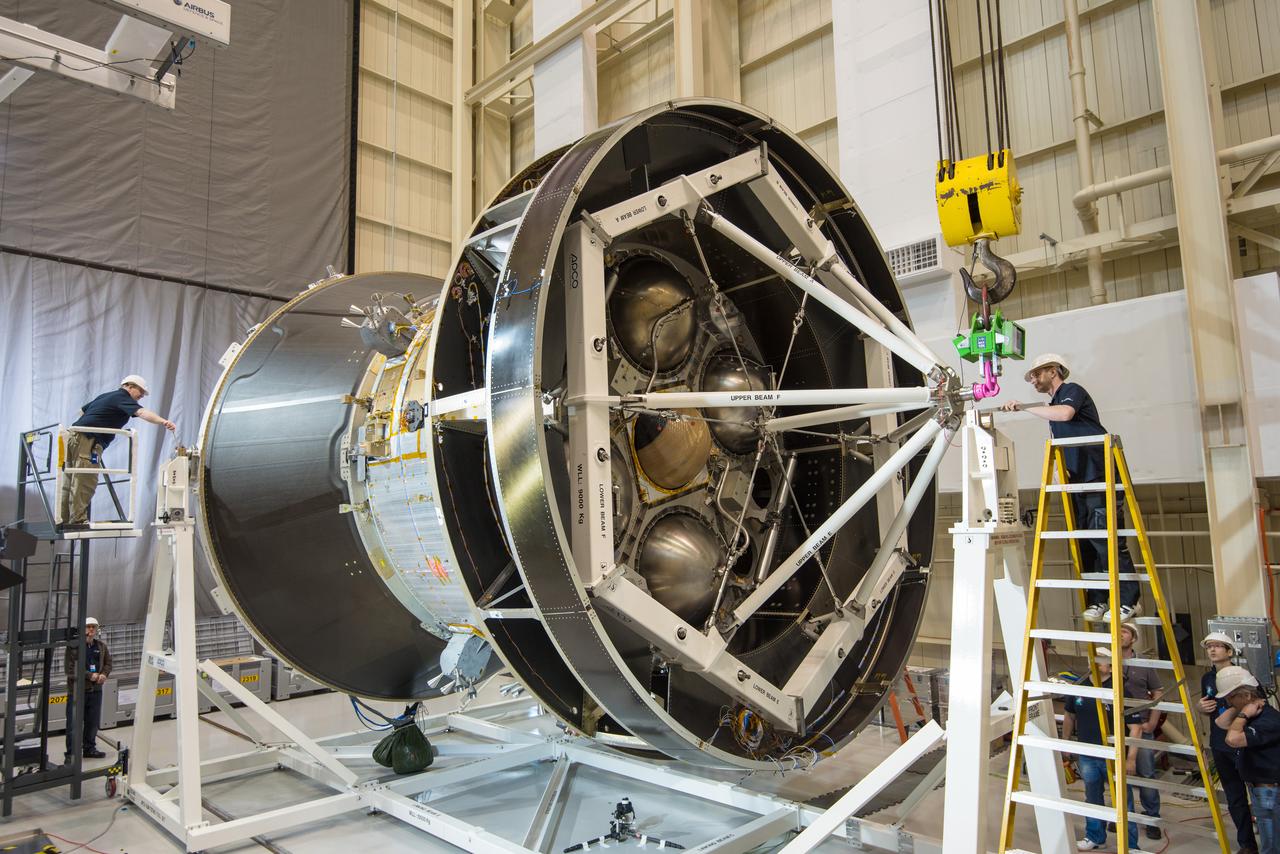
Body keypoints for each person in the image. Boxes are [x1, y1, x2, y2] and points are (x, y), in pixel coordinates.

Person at [1000, 353, 1141, 621]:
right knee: (1086, 541)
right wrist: (1057, 473)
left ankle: (1128, 599)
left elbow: (1066, 414)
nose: (1032, 380)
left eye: (1036, 374)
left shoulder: (1071, 393)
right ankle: (1100, 600)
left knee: (1105, 538)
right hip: (1078, 483)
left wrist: (1023, 407)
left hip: (1099, 477)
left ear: (1053, 371)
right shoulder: (1053, 407)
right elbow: (1059, 439)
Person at [58, 375, 176, 527]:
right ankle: (78, 520)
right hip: (88, 439)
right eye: (140, 391)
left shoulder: (106, 396)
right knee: (86, 479)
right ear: (129, 386)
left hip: (74, 437)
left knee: (71, 478)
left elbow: (82, 411)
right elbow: (141, 413)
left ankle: (64, 519)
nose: (141, 396)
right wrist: (163, 422)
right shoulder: (122, 397)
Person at [1062, 646, 1145, 850]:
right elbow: (1069, 716)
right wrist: (1065, 743)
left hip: (1114, 755)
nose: (1098, 664)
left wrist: (1131, 758)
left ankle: (1130, 845)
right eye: (1095, 659)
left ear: (1111, 665)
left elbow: (1135, 728)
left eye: (1102, 660)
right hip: (1088, 754)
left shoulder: (1121, 689)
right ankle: (1095, 836)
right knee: (1092, 796)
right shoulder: (1079, 686)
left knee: (1123, 800)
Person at [1199, 633, 1258, 853]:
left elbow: (1255, 705)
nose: (1212, 650)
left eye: (1217, 647)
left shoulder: (1243, 676)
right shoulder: (1207, 679)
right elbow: (1210, 708)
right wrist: (1200, 708)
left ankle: (1271, 839)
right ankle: (1247, 845)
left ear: (1229, 651)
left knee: (1258, 795)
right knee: (1234, 797)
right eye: (1209, 647)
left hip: (1242, 743)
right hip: (1219, 743)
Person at [1217, 665, 1280, 854]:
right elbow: (1222, 723)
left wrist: (1244, 712)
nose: (1228, 701)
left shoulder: (1268, 721)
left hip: (1269, 792)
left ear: (1245, 695)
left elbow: (1232, 739)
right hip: (1260, 790)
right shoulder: (1253, 715)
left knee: (1272, 847)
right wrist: (1245, 708)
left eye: (1231, 696)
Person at [1118, 622, 1164, 839]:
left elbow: (1157, 692)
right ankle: (1124, 815)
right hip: (1116, 728)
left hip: (1142, 727)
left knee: (1146, 773)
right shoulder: (1105, 662)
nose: (1119, 634)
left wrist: (1153, 722)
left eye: (1124, 631)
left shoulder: (1144, 664)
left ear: (1133, 638)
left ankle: (1152, 817)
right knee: (1118, 775)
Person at [64, 616, 111, 760]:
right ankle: (71, 753)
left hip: (95, 691)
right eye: (88, 626)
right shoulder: (73, 647)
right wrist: (90, 676)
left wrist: (104, 674)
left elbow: (108, 663)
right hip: (77, 692)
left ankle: (89, 748)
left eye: (93, 627)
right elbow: (69, 669)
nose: (91, 630)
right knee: (73, 724)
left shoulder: (101, 646)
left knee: (92, 722)